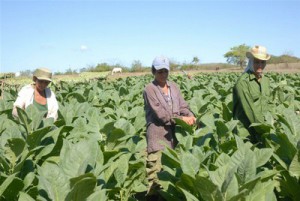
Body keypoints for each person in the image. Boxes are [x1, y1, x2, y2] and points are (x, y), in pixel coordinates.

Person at [143, 56, 196, 195]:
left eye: (165, 71)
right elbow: (161, 115)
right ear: (153, 71)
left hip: (174, 136)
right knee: (156, 177)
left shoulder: (173, 86)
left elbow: (183, 106)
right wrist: (183, 120)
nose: (163, 74)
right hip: (158, 136)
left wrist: (191, 116)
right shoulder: (150, 89)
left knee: (171, 174)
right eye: (160, 71)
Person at [233, 45, 272, 144]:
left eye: (262, 62)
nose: (260, 65)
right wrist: (264, 130)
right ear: (250, 62)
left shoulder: (266, 81)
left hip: (262, 128)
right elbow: (249, 109)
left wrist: (272, 120)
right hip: (246, 132)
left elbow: (269, 103)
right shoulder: (242, 82)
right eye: (256, 62)